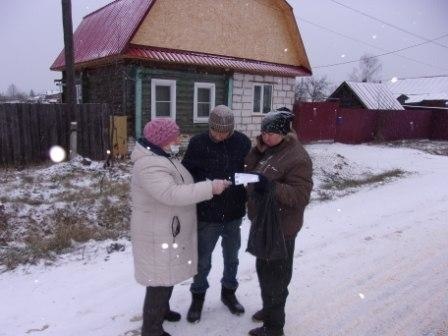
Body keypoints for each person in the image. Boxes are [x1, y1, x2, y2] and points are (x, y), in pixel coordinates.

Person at [130, 118, 231, 336]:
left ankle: (163, 311)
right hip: (156, 233)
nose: (178, 138)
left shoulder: (160, 156)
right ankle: (152, 329)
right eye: (175, 135)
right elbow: (171, 194)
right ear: (162, 139)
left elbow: (179, 183)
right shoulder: (149, 164)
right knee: (159, 281)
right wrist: (210, 188)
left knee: (165, 275)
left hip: (165, 229)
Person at [245, 110, 313, 336]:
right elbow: (251, 169)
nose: (266, 137)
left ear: (284, 132)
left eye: (271, 133)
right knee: (264, 270)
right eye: (263, 132)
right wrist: (259, 150)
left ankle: (275, 328)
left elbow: (301, 196)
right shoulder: (271, 149)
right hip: (264, 222)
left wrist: (272, 187)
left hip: (281, 227)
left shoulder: (297, 157)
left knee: (276, 276)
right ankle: (270, 309)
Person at [182, 105, 252, 323]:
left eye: (225, 132)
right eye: (216, 131)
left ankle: (228, 292)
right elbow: (187, 176)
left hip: (234, 212)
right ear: (210, 127)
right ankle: (198, 296)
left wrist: (243, 183)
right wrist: (208, 186)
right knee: (202, 261)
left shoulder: (242, 142)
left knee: (232, 258)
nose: (220, 135)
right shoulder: (198, 143)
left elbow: (248, 171)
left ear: (231, 129)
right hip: (207, 213)